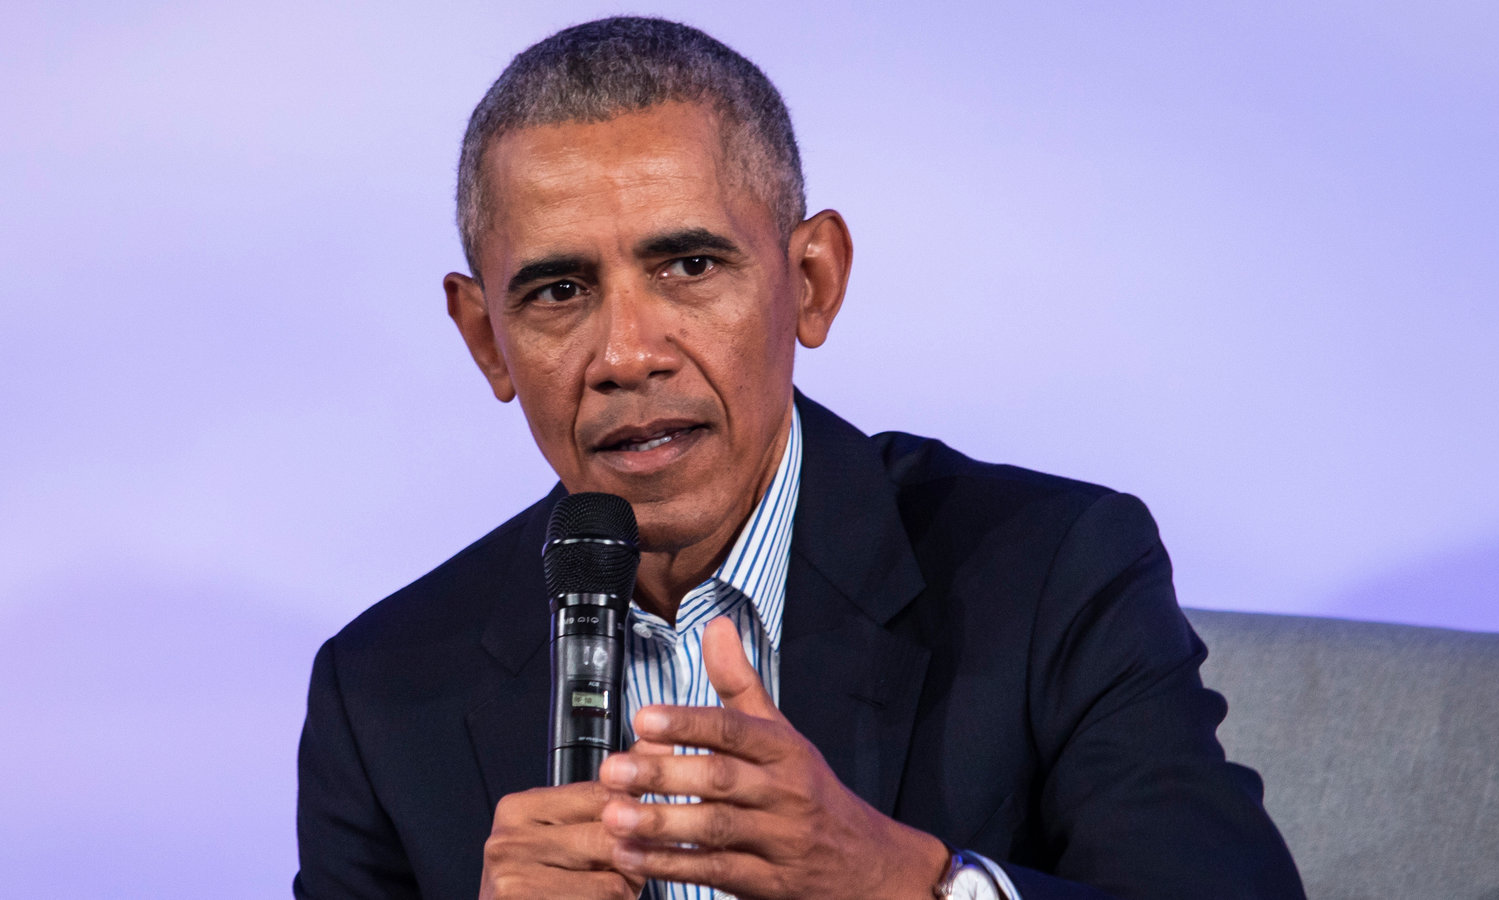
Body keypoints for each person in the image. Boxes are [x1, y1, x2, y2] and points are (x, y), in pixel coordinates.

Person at [294, 16, 1305, 900]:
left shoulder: (1052, 574)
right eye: (559, 292)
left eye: (690, 266)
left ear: (812, 282)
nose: (627, 355)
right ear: (485, 339)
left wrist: (904, 883)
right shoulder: (380, 694)